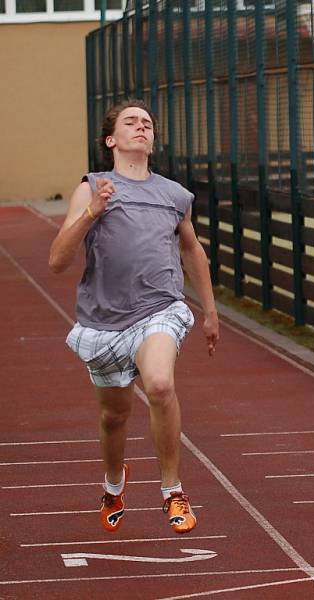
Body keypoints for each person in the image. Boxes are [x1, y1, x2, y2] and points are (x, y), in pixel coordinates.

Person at [48, 99, 219, 534]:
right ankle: (113, 483)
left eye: (147, 123)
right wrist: (92, 213)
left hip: (160, 307)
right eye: (131, 122)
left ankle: (172, 491)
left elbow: (192, 250)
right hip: (103, 321)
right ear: (112, 140)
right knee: (114, 416)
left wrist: (211, 311)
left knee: (160, 384)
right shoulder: (93, 187)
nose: (142, 127)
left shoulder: (174, 195)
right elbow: (56, 261)